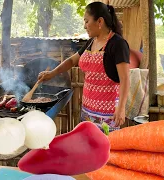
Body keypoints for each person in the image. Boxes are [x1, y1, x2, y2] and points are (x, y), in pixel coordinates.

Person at [38, 2, 130, 132]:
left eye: (87, 21)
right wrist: (52, 73)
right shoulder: (91, 42)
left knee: (106, 148)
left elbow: (125, 79)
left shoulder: (118, 44)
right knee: (87, 144)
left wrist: (121, 108)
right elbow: (71, 61)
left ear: (99, 21)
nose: (84, 26)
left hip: (108, 112)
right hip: (88, 109)